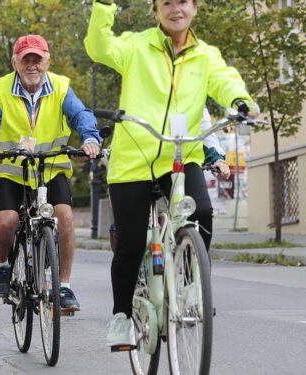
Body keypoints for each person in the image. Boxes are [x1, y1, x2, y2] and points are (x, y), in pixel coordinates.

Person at [85, 0, 257, 347]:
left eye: (182, 1)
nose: (175, 8)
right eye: (166, 3)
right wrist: (104, 6)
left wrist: (240, 101)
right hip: (133, 157)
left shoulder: (206, 55)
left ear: (194, 8)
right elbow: (99, 47)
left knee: (202, 212)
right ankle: (121, 317)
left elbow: (225, 80)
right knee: (131, 243)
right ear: (155, 10)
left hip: (180, 154)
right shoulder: (136, 46)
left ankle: (193, 287)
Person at [0, 34, 101, 312]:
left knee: (64, 217)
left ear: (47, 61)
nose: (32, 65)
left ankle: (63, 286)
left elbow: (81, 115)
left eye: (37, 59)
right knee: (7, 220)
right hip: (12, 169)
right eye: (26, 59)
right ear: (15, 62)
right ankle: (2, 266)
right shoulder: (0, 89)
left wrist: (90, 139)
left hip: (50, 168)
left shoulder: (62, 87)